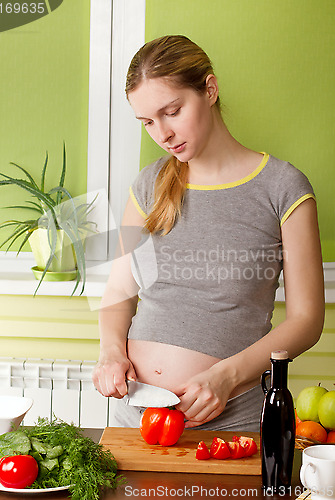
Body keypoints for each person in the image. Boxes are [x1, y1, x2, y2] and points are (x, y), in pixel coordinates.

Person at [92, 35, 325, 431]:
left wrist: (227, 376)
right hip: (135, 419)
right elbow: (119, 291)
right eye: (147, 121)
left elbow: (306, 319)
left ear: (210, 90)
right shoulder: (148, 185)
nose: (162, 134)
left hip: (231, 423)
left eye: (173, 111)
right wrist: (111, 352)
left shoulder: (283, 188)